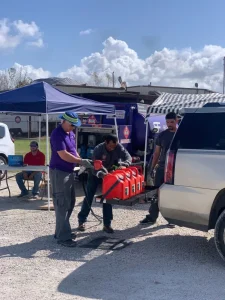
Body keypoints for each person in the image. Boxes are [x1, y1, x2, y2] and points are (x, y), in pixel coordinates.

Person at [50, 111, 92, 248]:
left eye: (74, 125)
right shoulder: (57, 134)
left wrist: (81, 163)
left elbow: (73, 151)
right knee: (62, 203)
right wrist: (81, 161)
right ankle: (63, 237)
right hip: (59, 171)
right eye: (71, 125)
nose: (73, 127)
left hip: (68, 171)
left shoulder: (70, 133)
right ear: (64, 122)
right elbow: (63, 155)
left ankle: (61, 231)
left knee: (70, 202)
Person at [78, 134, 132, 233]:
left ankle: (107, 224)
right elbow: (94, 165)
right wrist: (102, 174)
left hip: (109, 175)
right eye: (110, 146)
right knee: (89, 196)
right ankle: (82, 221)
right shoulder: (98, 149)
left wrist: (126, 164)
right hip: (96, 174)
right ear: (105, 143)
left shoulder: (118, 147)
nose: (112, 148)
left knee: (107, 198)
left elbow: (128, 157)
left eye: (114, 146)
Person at [140, 112, 177, 225]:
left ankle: (172, 219)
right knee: (157, 193)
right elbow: (156, 153)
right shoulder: (161, 135)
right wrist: (151, 168)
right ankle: (152, 217)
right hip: (162, 168)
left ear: (177, 121)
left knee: (173, 194)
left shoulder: (181, 134)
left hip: (176, 169)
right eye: (167, 122)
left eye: (172, 122)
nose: (169, 124)